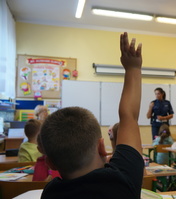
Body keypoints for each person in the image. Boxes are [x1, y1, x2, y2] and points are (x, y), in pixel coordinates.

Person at [40, 32, 144, 199]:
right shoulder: (123, 180)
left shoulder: (50, 193)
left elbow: (128, 117)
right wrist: (133, 68)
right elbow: (129, 116)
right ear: (102, 147)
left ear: (50, 162)